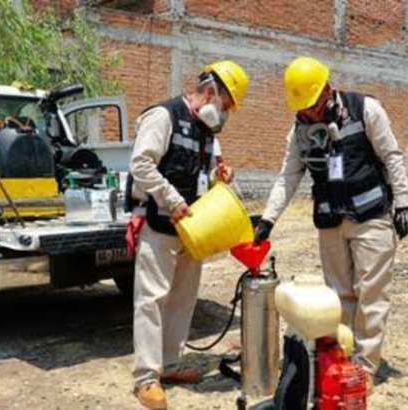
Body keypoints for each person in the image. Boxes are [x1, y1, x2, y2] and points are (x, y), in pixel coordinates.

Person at [255, 56, 408, 394]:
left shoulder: (365, 109)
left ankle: (366, 365)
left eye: (313, 106)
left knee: (372, 293)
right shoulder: (299, 130)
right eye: (302, 109)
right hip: (330, 221)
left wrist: (402, 203)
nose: (309, 114)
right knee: (338, 296)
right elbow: (288, 177)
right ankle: (342, 359)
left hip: (371, 215)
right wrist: (268, 219)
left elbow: (391, 156)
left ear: (328, 90)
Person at [126, 60, 250, 409]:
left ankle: (169, 365)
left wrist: (221, 175)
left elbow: (210, 176)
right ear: (211, 93)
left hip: (193, 229)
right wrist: (172, 199)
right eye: (225, 106)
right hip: (161, 225)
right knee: (152, 300)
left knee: (183, 299)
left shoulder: (209, 132)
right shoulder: (163, 116)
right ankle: (146, 378)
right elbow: (141, 164)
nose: (225, 115)